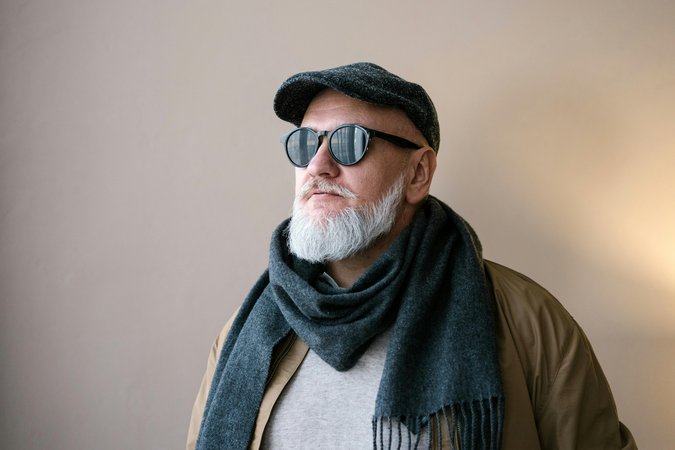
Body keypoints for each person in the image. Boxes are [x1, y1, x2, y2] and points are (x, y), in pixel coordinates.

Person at [187, 62, 637, 450]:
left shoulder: (531, 327)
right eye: (306, 144)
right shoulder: (245, 334)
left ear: (418, 173)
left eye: (348, 142)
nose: (318, 166)